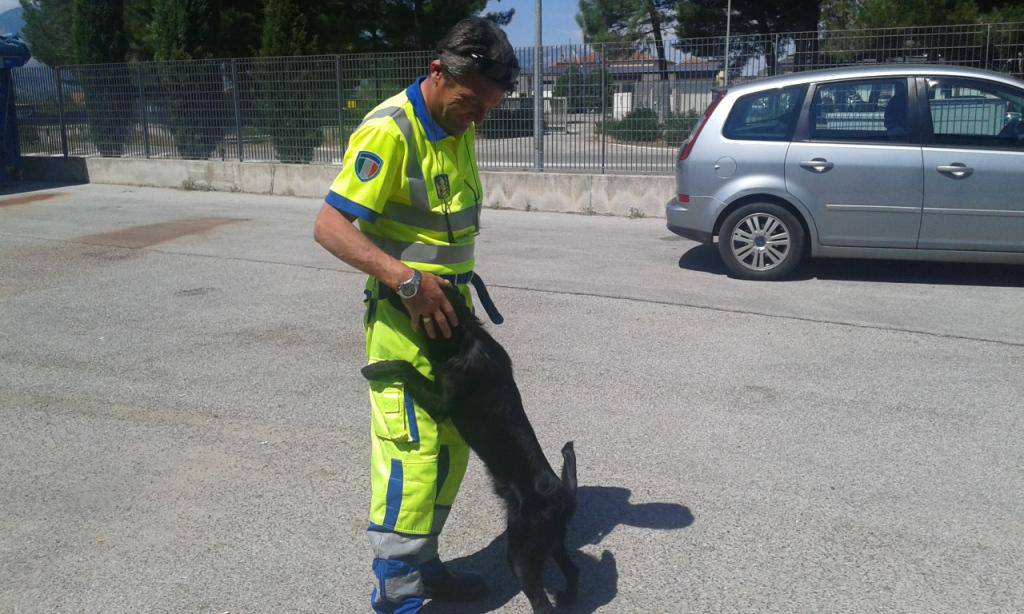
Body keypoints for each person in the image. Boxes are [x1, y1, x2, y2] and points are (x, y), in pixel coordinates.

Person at [313, 17, 519, 613]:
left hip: (452, 320)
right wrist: (405, 282)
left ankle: (425, 566)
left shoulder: (460, 122)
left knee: (455, 444)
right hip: (403, 326)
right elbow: (329, 226)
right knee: (411, 454)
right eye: (471, 101)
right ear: (438, 71)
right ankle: (397, 596)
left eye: (489, 107)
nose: (478, 116)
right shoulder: (389, 132)